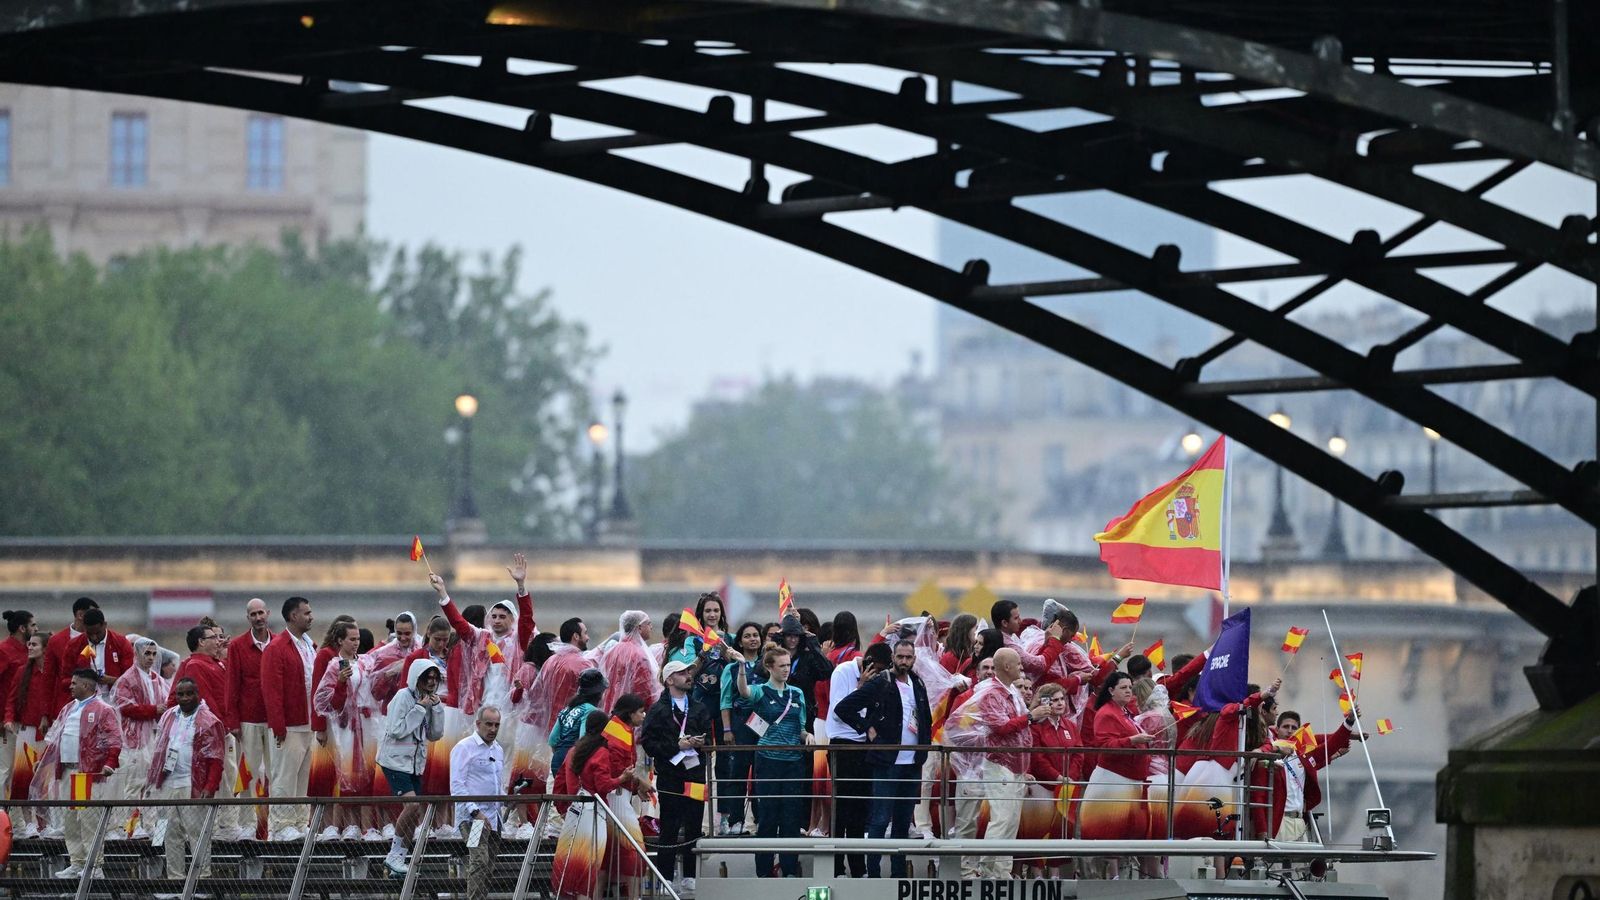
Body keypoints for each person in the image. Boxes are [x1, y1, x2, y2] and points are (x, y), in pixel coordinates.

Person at [834, 639, 934, 878]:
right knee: (879, 820)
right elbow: (843, 708)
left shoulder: (918, 683)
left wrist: (924, 748)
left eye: (908, 657)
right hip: (887, 762)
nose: (904, 662)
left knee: (902, 823)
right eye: (900, 657)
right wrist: (867, 728)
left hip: (912, 763)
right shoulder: (881, 682)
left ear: (914, 659)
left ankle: (898, 874)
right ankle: (874, 873)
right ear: (893, 658)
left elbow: (926, 717)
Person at [943, 647, 1042, 878]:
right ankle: (988, 870)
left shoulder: (1011, 691)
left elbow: (1016, 727)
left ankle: (1002, 870)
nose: (1022, 667)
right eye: (1018, 664)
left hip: (1016, 764)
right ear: (1007, 666)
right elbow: (1000, 727)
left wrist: (1030, 719)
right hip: (998, 763)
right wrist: (1030, 717)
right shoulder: (991, 693)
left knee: (1010, 821)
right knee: (1000, 819)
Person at [551, 694, 652, 900]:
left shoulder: (580, 748)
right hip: (610, 801)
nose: (643, 715)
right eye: (641, 711)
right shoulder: (609, 741)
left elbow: (563, 776)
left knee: (598, 859)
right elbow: (608, 778)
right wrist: (634, 782)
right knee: (633, 853)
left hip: (590, 808)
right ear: (630, 713)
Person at [734, 643, 812, 878]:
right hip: (768, 759)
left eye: (788, 665)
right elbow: (744, 692)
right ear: (769, 667)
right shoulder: (761, 691)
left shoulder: (796, 693)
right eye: (781, 666)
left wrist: (807, 735)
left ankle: (789, 868)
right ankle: (764, 871)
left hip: (793, 760)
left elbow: (801, 727)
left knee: (791, 816)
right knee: (768, 816)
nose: (786, 670)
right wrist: (740, 666)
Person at [36, 669, 123, 880]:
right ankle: (77, 862)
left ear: (86, 685)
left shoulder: (103, 709)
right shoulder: (68, 708)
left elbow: (114, 739)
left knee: (88, 819)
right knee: (71, 819)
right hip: (66, 771)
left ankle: (95, 866)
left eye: (74, 683)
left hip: (85, 773)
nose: (70, 686)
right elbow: (55, 737)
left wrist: (110, 763)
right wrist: (46, 759)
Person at [640, 660, 713, 896]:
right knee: (669, 827)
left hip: (695, 774)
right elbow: (648, 743)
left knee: (693, 824)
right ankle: (666, 876)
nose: (688, 676)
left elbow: (711, 738)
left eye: (688, 672)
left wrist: (701, 743)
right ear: (669, 679)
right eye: (682, 673)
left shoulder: (699, 708)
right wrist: (675, 746)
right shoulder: (657, 710)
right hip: (670, 775)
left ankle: (690, 875)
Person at [147, 677, 226, 888]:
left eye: (189, 693)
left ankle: (202, 881)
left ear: (197, 694)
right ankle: (175, 879)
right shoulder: (168, 717)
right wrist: (154, 782)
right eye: (180, 694)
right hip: (168, 783)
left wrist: (210, 787)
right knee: (170, 833)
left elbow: (216, 759)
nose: (184, 698)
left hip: (193, 785)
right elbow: (158, 751)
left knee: (197, 834)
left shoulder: (209, 721)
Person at [314, 620, 387, 840]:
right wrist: (340, 684)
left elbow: (376, 687)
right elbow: (328, 704)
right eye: (351, 639)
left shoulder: (366, 662)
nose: (356, 643)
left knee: (369, 775)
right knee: (348, 774)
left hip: (368, 725)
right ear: (340, 641)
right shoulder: (335, 665)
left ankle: (368, 827)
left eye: (357, 639)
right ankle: (348, 826)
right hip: (347, 729)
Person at [822, 641, 888, 877]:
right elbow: (841, 711)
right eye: (877, 669)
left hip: (863, 745)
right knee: (842, 809)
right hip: (843, 743)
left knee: (860, 810)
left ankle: (858, 868)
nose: (878, 674)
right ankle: (837, 867)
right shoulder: (843, 671)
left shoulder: (880, 680)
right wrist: (861, 688)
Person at [1251, 707, 1362, 842]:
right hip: (1278, 823)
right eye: (1285, 726)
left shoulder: (1304, 755)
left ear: (1298, 732)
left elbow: (1332, 744)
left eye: (1294, 727)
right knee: (1277, 864)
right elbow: (1258, 797)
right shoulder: (1268, 756)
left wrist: (1349, 722)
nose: (1290, 730)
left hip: (1300, 821)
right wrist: (1262, 831)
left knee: (1303, 863)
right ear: (1277, 729)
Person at [378, 659, 446, 876]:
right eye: (428, 677)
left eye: (435, 678)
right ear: (418, 677)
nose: (432, 682)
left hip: (415, 764)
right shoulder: (403, 697)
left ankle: (401, 859)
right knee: (413, 806)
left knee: (415, 813)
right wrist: (419, 709)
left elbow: (435, 734)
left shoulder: (429, 701)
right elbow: (397, 730)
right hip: (395, 761)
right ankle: (393, 856)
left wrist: (436, 709)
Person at [261, 595, 317, 841]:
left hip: (308, 722)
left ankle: (299, 822)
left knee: (302, 775)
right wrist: (278, 724)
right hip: (289, 724)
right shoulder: (277, 647)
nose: (310, 616)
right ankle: (281, 825)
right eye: (306, 613)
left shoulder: (308, 644)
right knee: (285, 774)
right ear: (293, 616)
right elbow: (271, 689)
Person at [1080, 672, 1155, 842]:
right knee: (1110, 830)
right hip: (1114, 779)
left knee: (1126, 831)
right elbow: (1104, 746)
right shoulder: (1106, 713)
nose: (1128, 691)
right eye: (1123, 688)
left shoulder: (1125, 712)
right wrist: (1132, 740)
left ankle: (1119, 868)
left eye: (1130, 687)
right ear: (1111, 690)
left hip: (1129, 779)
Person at [225, 598, 274, 841]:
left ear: (268, 614)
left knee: (275, 772)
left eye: (261, 613)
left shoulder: (278, 643)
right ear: (248, 618)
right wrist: (233, 720)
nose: (258, 618)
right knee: (250, 772)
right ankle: (247, 824)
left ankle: (273, 823)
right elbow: (232, 684)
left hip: (275, 720)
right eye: (253, 614)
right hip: (249, 720)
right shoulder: (238, 646)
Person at [111, 637, 167, 837]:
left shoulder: (157, 680)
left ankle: (150, 826)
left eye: (154, 654)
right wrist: (152, 710)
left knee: (153, 784)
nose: (151, 658)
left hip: (155, 738)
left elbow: (166, 704)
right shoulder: (127, 679)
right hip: (134, 740)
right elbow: (124, 706)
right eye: (147, 653)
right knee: (134, 783)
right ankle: (129, 827)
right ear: (137, 654)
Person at [450, 706, 506, 900]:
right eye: (489, 724)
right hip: (473, 819)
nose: (492, 729)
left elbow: (498, 784)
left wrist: (508, 800)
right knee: (479, 860)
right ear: (478, 724)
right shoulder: (464, 747)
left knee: (488, 866)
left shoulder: (498, 749)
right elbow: (457, 784)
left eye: (496, 725)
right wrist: (475, 812)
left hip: (494, 818)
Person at [716, 622, 765, 836]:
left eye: (756, 635)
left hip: (764, 724)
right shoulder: (732, 668)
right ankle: (736, 821)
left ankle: (762, 820)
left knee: (762, 774)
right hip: (740, 723)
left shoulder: (767, 664)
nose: (752, 639)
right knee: (738, 773)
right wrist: (727, 729)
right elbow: (725, 700)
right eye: (747, 636)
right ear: (740, 641)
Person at [41, 598, 98, 726]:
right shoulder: (56, 641)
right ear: (80, 615)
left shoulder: (102, 639)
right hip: (65, 707)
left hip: (96, 708)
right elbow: (48, 679)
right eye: (92, 613)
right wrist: (45, 714)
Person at [0, 610, 36, 800]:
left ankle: (17, 820)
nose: (36, 629)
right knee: (4, 770)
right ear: (22, 628)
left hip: (25, 722)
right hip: (8, 722)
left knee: (21, 772)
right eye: (33, 625)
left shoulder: (30, 651)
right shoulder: (4, 650)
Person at [62, 608, 134, 702]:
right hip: (83, 702)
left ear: (105, 625)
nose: (94, 637)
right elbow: (64, 680)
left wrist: (112, 680)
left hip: (115, 701)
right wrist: (82, 683)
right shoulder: (74, 645)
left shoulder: (121, 643)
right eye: (90, 633)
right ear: (84, 627)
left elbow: (132, 680)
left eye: (98, 633)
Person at [549, 669, 607, 774]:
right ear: (598, 693)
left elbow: (552, 740)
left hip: (556, 762)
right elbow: (584, 740)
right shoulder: (590, 710)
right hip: (574, 763)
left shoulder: (567, 709)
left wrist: (560, 756)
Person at [600, 611, 659, 710]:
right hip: (632, 713)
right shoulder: (640, 655)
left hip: (612, 710)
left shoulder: (611, 652)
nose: (651, 627)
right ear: (639, 627)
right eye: (648, 624)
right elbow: (644, 690)